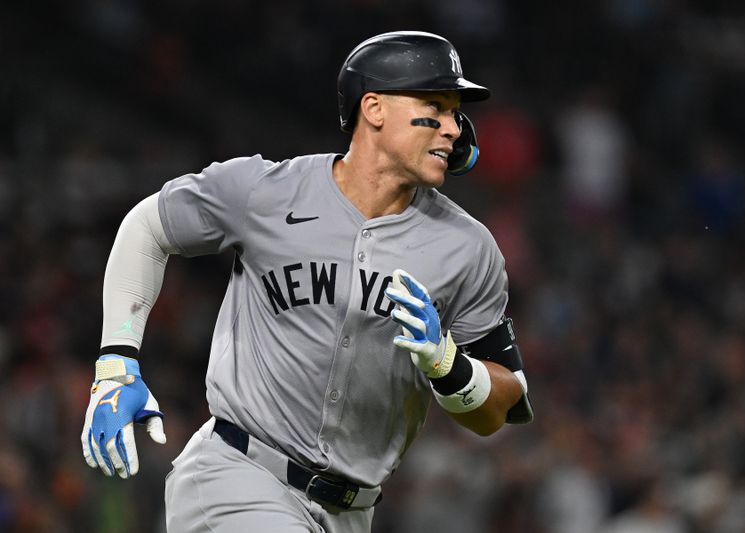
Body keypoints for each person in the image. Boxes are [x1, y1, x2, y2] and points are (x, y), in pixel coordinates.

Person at [80, 30, 533, 533]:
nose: (454, 129)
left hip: (350, 513)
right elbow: (148, 227)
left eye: (455, 113)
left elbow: (501, 404)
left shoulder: (468, 249)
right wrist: (116, 362)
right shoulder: (266, 192)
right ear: (375, 108)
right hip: (237, 476)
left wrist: (450, 367)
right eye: (436, 106)